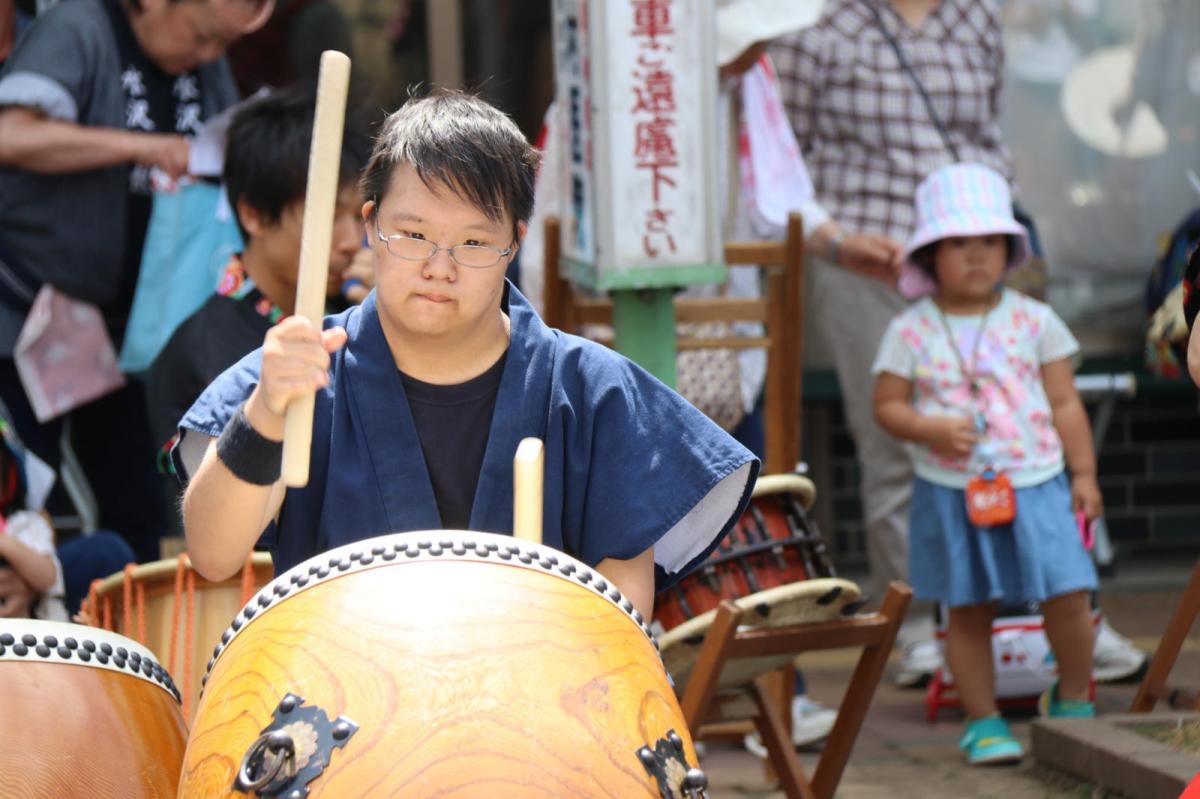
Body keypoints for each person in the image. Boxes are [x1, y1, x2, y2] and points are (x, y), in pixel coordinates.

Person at [174, 91, 759, 619]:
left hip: (532, 715)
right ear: (372, 224)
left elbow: (622, 609)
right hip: (341, 717)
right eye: (413, 234)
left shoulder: (590, 390)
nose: (439, 267)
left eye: (474, 242)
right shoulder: (297, 375)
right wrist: (268, 411)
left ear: (514, 244)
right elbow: (214, 554)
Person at [770, 0, 1144, 685]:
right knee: (895, 451)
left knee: (1030, 437)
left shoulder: (975, 15)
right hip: (873, 255)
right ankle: (921, 624)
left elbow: (987, 128)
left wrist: (1000, 240)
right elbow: (778, 158)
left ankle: (1061, 615)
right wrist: (835, 239)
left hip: (988, 248)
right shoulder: (818, 22)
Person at [0, 0, 272, 562]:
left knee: (143, 500)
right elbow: (10, 134)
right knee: (24, 489)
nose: (209, 57)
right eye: (200, 38)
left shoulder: (204, 63)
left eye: (220, 47)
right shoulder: (81, 28)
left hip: (138, 327)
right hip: (31, 310)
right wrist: (143, 147)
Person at [872, 163, 1100, 765]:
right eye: (958, 244)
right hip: (950, 489)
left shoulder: (1035, 319)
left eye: (989, 242)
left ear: (1009, 249)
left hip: (1040, 481)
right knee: (966, 607)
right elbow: (887, 406)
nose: (976, 256)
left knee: (1070, 593)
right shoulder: (909, 329)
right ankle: (983, 720)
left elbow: (1065, 401)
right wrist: (927, 427)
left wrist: (1084, 475)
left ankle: (1075, 697)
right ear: (929, 256)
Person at [147, 87, 371, 449]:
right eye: (329, 216)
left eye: (359, 216)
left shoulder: (353, 314)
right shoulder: (204, 352)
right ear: (254, 215)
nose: (351, 240)